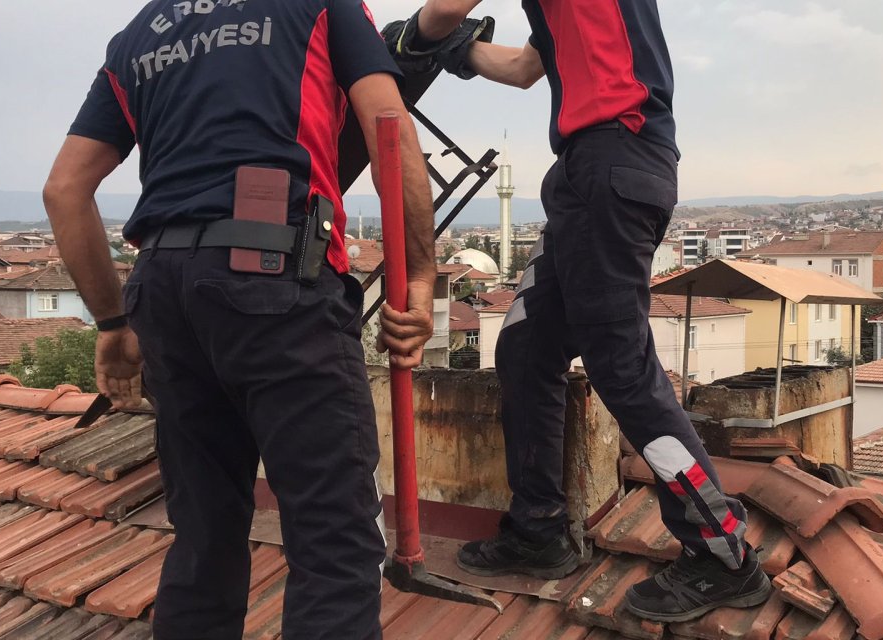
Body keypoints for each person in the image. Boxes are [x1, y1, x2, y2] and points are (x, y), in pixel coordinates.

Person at [43, 2, 437, 638]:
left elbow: (64, 189)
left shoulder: (143, 31)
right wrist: (417, 274)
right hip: (275, 282)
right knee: (334, 537)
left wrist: (114, 323)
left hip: (165, 291)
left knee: (203, 533)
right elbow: (386, 123)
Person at [383, 0, 772, 623]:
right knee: (526, 346)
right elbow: (524, 66)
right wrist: (453, 48)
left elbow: (447, 8)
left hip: (613, 161)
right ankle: (538, 531)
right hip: (590, 173)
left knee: (621, 366)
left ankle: (721, 552)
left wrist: (416, 34)